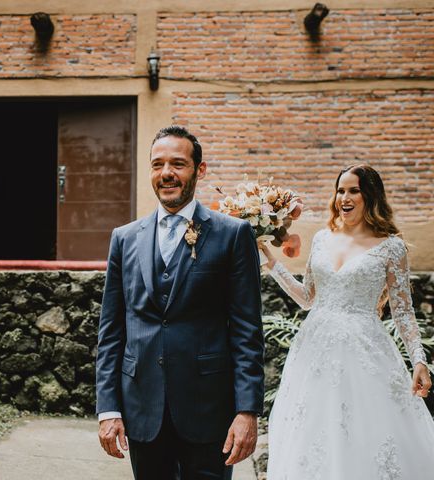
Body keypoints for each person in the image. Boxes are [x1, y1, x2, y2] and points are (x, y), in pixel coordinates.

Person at [95, 125, 264, 480]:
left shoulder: (233, 234)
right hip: (142, 408)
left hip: (209, 410)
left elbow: (247, 332)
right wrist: (108, 408)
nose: (166, 173)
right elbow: (111, 331)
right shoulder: (124, 239)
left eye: (178, 164)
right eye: (158, 165)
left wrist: (247, 411)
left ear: (199, 170)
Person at [260, 164, 434, 479]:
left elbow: (403, 310)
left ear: (370, 195)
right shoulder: (323, 239)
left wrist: (418, 360)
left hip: (366, 350)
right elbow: (307, 298)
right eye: (341, 190)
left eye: (354, 190)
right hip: (315, 349)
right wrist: (273, 264)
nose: (345, 197)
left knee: (367, 433)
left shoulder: (391, 247)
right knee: (312, 432)